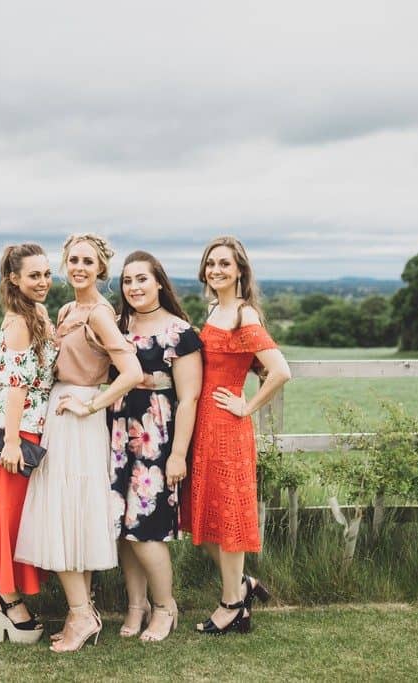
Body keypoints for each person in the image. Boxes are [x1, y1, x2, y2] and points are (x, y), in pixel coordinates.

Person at [15, 233, 144, 653]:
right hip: (61, 410)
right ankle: (81, 612)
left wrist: (92, 407)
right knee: (69, 512)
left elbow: (132, 372)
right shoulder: (68, 308)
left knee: (66, 509)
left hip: (79, 413)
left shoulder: (101, 314)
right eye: (72, 260)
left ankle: (82, 615)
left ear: (101, 269)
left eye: (88, 261)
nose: (79, 267)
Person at [180, 235, 291, 635]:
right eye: (211, 264)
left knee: (227, 521)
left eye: (224, 264)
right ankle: (242, 586)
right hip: (203, 427)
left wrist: (246, 406)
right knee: (204, 519)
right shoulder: (214, 310)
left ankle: (231, 604)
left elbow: (280, 370)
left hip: (228, 428)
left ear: (240, 270)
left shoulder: (245, 316)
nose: (216, 270)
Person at [108, 251, 202, 642]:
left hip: (156, 437)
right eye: (127, 281)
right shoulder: (116, 327)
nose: (134, 287)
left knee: (146, 530)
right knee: (123, 529)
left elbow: (190, 397)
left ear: (159, 282)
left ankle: (165, 606)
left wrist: (178, 453)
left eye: (141, 279)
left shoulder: (180, 333)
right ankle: (136, 604)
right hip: (116, 434)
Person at [0, 243, 58, 644]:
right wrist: (12, 441)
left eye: (46, 274)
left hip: (33, 429)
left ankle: (6, 595)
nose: (43, 281)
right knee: (10, 518)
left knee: (18, 516)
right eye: (34, 275)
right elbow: (15, 386)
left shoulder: (38, 313)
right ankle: (7, 597)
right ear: (14, 279)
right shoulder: (18, 322)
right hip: (18, 433)